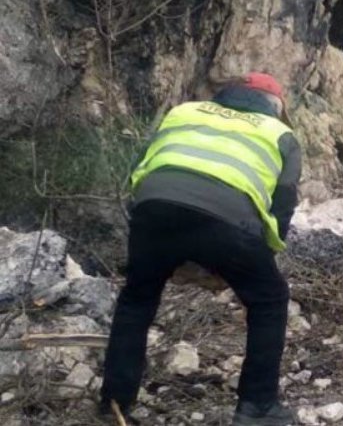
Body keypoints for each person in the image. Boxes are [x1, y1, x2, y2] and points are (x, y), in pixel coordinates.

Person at [100, 72, 301, 425]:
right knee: (269, 299)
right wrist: (257, 256)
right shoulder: (280, 134)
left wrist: (156, 238)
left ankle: (114, 402)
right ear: (275, 107)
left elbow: (139, 170)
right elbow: (281, 207)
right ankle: (258, 406)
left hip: (154, 207)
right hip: (227, 220)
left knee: (137, 299)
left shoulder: (183, 111)